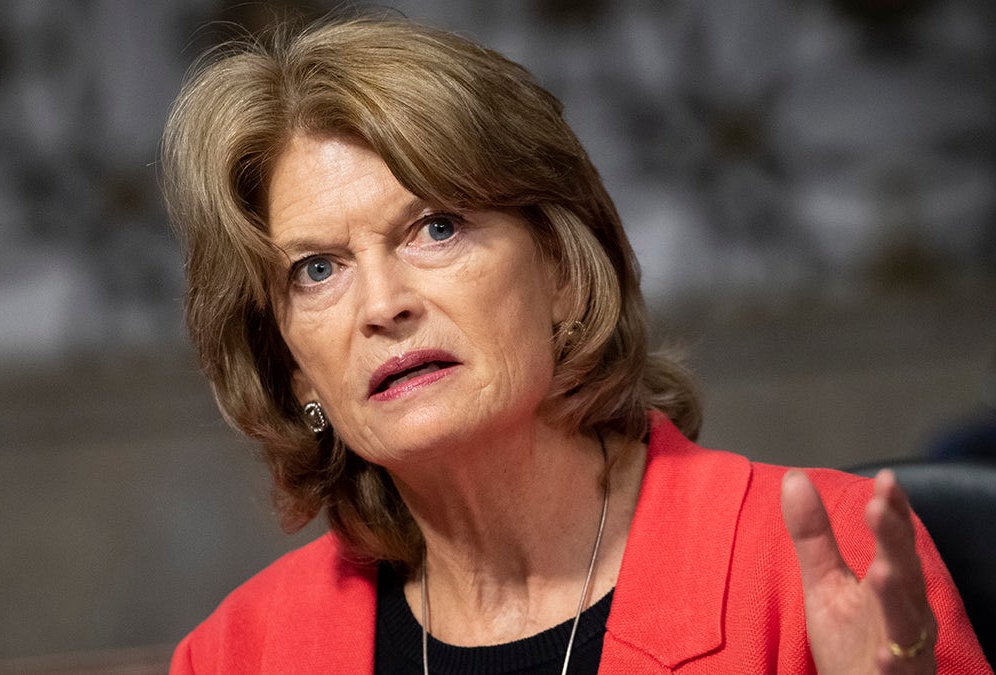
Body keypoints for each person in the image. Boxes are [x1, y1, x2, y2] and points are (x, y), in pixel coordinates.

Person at [161, 15, 989, 674]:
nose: (382, 306)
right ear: (292, 359)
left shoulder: (815, 572)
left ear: (560, 264)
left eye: (435, 228)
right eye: (316, 269)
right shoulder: (240, 653)